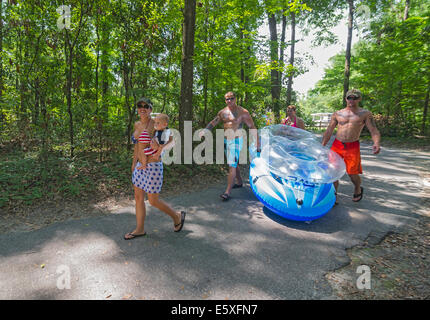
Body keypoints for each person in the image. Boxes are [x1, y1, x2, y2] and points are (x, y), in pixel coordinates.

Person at [125, 98, 185, 240]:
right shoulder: (137, 124)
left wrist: (160, 151)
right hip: (140, 166)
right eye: (140, 105)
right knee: (138, 197)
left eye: (146, 106)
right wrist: (134, 163)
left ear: (151, 109)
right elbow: (137, 146)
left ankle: (177, 216)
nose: (142, 108)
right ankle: (139, 229)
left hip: (152, 166)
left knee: (153, 201)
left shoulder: (156, 123)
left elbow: (172, 140)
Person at [322, 89, 381, 204]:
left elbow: (374, 130)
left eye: (355, 98)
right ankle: (333, 197)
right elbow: (329, 130)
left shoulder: (365, 114)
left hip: (352, 146)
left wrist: (376, 143)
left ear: (359, 99)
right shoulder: (338, 113)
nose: (351, 100)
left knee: (352, 173)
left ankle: (358, 188)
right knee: (333, 172)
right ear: (346, 99)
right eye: (349, 97)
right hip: (337, 145)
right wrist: (323, 145)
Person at [200, 91, 261, 201]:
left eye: (231, 98)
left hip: (237, 140)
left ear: (235, 99)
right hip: (226, 140)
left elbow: (252, 126)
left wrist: (257, 142)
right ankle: (239, 181)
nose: (229, 101)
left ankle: (227, 191)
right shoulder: (223, 112)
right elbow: (214, 122)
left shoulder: (243, 112)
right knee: (232, 162)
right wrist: (205, 130)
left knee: (231, 164)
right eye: (227, 99)